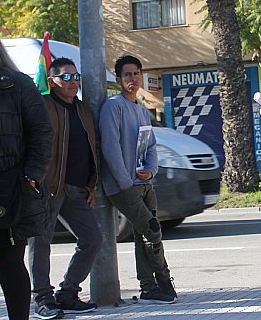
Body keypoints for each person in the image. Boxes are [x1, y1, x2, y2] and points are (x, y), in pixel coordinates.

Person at [28, 58, 102, 319]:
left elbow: (90, 147)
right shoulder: (44, 106)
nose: (73, 82)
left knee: (92, 239)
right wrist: (34, 181)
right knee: (40, 242)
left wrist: (90, 184)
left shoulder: (83, 110)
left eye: (76, 76)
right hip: (48, 187)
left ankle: (67, 294)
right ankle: (42, 300)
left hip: (76, 188)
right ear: (52, 81)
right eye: (66, 77)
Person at [99, 55, 176, 304]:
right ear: (119, 79)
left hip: (144, 182)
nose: (133, 79)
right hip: (123, 186)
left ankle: (148, 287)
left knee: (145, 233)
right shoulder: (113, 107)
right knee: (151, 230)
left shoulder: (142, 111)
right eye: (127, 75)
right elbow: (110, 148)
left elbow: (150, 146)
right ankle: (164, 280)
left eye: (136, 73)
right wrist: (126, 181)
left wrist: (151, 171)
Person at [0, 28, 53, 319]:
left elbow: (42, 134)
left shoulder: (16, 85)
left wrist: (30, 177)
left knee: (10, 266)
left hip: (10, 191)